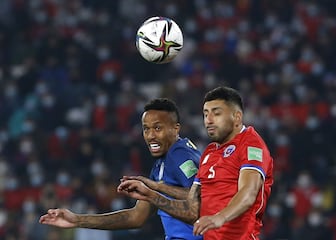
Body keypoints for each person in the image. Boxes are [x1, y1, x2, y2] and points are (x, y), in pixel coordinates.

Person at [119, 86, 274, 240]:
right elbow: (192, 210)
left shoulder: (251, 145)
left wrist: (219, 217)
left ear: (237, 117)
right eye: (206, 114)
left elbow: (248, 194)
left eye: (216, 113)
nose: (209, 120)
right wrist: (151, 193)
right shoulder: (209, 153)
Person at [39, 98, 203, 240]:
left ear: (176, 129)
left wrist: (154, 190)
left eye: (158, 128)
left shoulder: (179, 155)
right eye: (146, 129)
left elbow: (203, 197)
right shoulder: (163, 162)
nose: (151, 135)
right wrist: (77, 220)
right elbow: (136, 217)